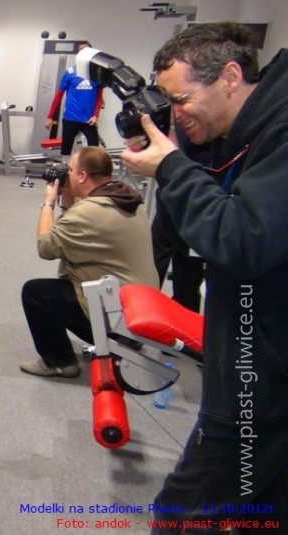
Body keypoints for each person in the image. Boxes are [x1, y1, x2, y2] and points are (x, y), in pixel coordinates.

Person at [120, 22, 288, 532]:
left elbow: (242, 239)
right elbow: (189, 231)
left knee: (182, 515)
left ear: (230, 77)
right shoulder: (241, 136)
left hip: (262, 378)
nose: (176, 113)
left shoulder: (279, 134)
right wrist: (179, 154)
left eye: (181, 99)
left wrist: (173, 168)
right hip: (251, 349)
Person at [20, 146, 158, 378]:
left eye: (70, 170)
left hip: (119, 321)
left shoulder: (89, 212)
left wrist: (48, 203)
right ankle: (126, 340)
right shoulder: (127, 197)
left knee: (35, 293)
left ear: (82, 176)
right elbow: (74, 232)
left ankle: (60, 362)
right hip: (140, 311)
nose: (67, 174)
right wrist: (68, 199)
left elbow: (46, 247)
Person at [150, 123, 210, 313]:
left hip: (197, 189)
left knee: (187, 261)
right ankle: (149, 307)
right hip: (173, 187)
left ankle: (184, 317)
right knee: (158, 251)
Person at [45, 40, 104, 156]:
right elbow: (58, 95)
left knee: (94, 151)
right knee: (66, 151)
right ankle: (66, 167)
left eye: (85, 50)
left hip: (88, 120)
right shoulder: (70, 72)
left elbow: (99, 96)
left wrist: (96, 115)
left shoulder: (96, 74)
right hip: (70, 118)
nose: (82, 53)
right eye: (80, 51)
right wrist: (50, 116)